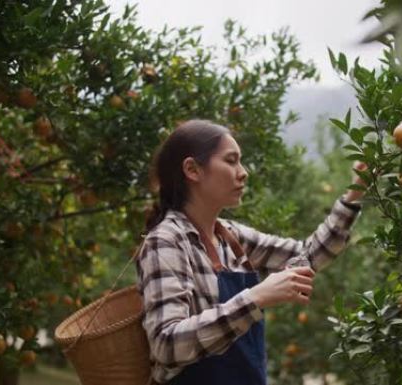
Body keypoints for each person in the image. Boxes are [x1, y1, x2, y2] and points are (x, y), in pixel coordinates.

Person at [136, 119, 366, 385]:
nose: (243, 172)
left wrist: (353, 196)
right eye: (231, 161)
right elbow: (167, 344)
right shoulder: (166, 241)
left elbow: (308, 255)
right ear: (192, 169)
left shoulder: (231, 238)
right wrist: (255, 298)